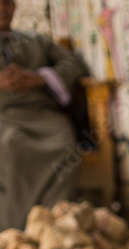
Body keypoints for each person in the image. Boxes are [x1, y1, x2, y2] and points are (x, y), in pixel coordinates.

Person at [0, 0, 88, 231]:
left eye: (7, 3)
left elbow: (72, 63)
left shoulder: (36, 40)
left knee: (65, 143)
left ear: (15, 7)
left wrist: (41, 77)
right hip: (4, 117)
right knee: (10, 146)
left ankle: (51, 225)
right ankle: (13, 230)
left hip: (43, 115)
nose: (2, 9)